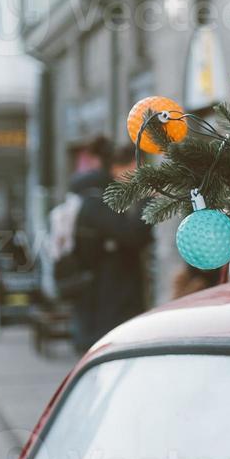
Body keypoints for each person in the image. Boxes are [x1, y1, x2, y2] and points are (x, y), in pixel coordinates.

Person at [68, 138, 151, 352]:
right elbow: (132, 235)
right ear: (116, 168)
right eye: (134, 171)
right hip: (104, 303)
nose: (138, 179)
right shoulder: (96, 202)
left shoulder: (98, 198)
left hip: (107, 298)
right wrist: (148, 200)